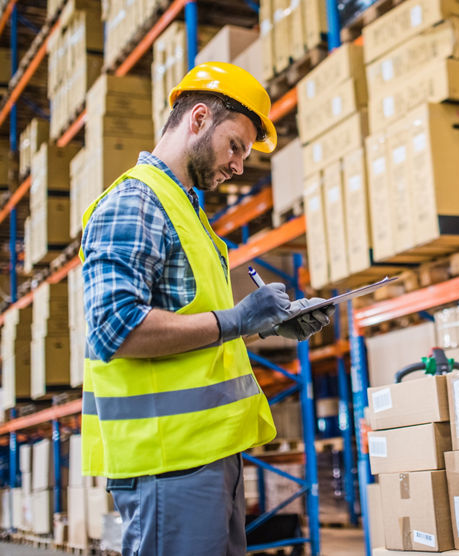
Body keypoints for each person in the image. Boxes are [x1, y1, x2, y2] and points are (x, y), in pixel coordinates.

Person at [80, 62, 333, 556]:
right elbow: (115, 328)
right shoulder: (136, 202)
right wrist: (237, 319)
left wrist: (264, 323)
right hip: (169, 464)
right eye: (236, 145)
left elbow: (198, 327)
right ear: (198, 119)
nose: (239, 165)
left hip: (208, 457)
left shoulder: (187, 213)